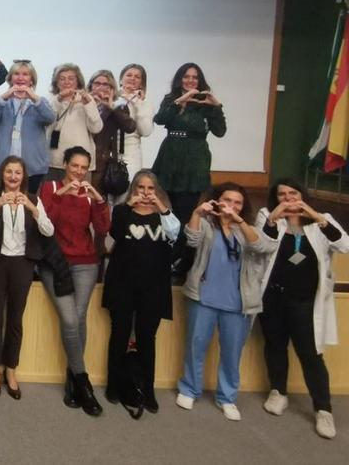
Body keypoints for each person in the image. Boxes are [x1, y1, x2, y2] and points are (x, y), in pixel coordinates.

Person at [255, 179, 347, 439]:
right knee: (274, 346)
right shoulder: (267, 216)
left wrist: (315, 216)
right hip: (273, 298)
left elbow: (345, 245)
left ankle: (323, 409)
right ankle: (278, 391)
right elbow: (260, 245)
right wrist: (273, 218)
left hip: (305, 302)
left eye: (292, 193)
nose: (288, 198)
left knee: (311, 355)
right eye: (282, 194)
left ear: (302, 195)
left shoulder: (321, 220)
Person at [176, 182, 266, 421]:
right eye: (228, 200)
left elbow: (261, 245)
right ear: (218, 200)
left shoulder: (246, 229)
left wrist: (240, 222)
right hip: (203, 297)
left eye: (238, 202)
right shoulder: (207, 224)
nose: (232, 205)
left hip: (237, 302)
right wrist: (197, 213)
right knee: (196, 345)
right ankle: (189, 388)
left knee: (232, 352)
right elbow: (192, 239)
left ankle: (227, 397)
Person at [38, 146, 109, 416]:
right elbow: (46, 223)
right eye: (74, 165)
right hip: (55, 263)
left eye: (83, 168)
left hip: (86, 263)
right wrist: (61, 194)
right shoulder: (50, 187)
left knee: (78, 318)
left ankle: (72, 379)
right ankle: (83, 382)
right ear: (65, 164)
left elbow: (103, 229)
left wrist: (99, 200)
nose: (78, 172)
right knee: (70, 320)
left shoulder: (90, 196)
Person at [104, 170, 180, 415]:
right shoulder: (122, 212)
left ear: (157, 191)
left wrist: (162, 208)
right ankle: (113, 385)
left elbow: (174, 235)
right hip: (123, 284)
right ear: (134, 190)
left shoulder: (166, 216)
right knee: (119, 335)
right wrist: (128, 206)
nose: (146, 193)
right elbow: (113, 234)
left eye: (150, 188)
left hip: (153, 288)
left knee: (147, 339)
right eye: (140, 188)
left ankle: (148, 390)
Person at [0, 155, 55, 400]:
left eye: (18, 173)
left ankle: (11, 369)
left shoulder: (34, 199)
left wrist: (33, 209)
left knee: (15, 318)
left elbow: (48, 230)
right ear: (2, 174)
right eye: (9, 172)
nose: (13, 177)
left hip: (23, 262)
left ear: (24, 177)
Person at [153, 63, 227, 280]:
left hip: (194, 162)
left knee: (186, 214)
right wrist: (180, 101)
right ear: (180, 79)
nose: (190, 81)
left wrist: (216, 106)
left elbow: (220, 131)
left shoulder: (205, 104)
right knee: (166, 211)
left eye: (195, 77)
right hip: (169, 158)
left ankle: (181, 261)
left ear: (200, 80)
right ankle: (164, 257)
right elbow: (160, 119)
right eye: (186, 77)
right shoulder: (171, 99)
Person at [0, 61, 56, 194]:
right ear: (11, 79)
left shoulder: (39, 102)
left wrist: (33, 97)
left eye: (25, 74)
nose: (20, 77)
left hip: (32, 167)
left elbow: (50, 118)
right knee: (2, 201)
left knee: (28, 204)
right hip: (3, 164)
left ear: (31, 80)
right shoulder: (3, 101)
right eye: (16, 74)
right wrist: (5, 96)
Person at [46, 63, 102, 180]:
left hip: (82, 164)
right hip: (55, 162)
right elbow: (47, 126)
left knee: (81, 197)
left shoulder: (87, 101)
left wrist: (88, 104)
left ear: (78, 81)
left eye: (71, 78)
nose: (67, 82)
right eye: (62, 79)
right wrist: (59, 100)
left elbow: (96, 128)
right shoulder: (51, 102)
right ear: (56, 83)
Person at [87, 70, 137, 197]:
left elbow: (130, 127)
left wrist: (110, 107)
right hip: (79, 159)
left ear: (112, 89)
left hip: (100, 162)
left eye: (106, 85)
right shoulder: (84, 104)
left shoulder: (118, 107)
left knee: (96, 199)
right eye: (97, 83)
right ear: (91, 85)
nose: (101, 87)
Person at [117, 64, 154, 173]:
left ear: (142, 84)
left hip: (131, 155)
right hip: (107, 153)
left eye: (137, 77)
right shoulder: (112, 98)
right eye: (129, 75)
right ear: (120, 80)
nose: (133, 78)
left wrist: (137, 103)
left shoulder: (145, 103)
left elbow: (146, 131)